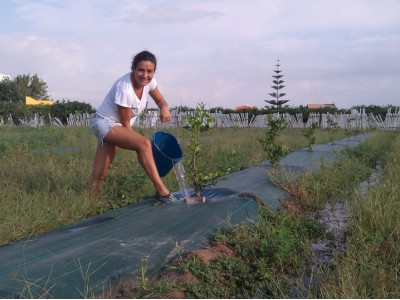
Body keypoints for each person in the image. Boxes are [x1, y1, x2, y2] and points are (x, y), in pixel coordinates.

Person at [90, 50, 176, 202]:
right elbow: (126, 127)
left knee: (100, 172)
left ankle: (88, 200)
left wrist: (164, 107)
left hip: (116, 126)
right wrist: (145, 149)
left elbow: (161, 101)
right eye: (141, 70)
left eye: (150, 71)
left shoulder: (150, 83)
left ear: (153, 72)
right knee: (143, 144)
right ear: (133, 69)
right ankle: (162, 191)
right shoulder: (125, 90)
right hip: (104, 123)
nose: (145, 75)